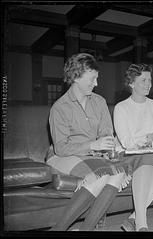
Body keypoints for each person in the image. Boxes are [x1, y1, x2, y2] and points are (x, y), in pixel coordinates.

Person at [46, 53, 130, 231]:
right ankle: (58, 229)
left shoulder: (99, 102)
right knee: (100, 176)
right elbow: (61, 148)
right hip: (63, 155)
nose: (97, 84)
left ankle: (86, 229)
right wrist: (93, 145)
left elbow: (106, 134)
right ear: (75, 77)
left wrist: (111, 145)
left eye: (97, 79)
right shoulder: (59, 108)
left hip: (92, 155)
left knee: (119, 172)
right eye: (92, 79)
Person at [113, 63, 153, 231]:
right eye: (143, 80)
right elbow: (126, 142)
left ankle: (134, 216)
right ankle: (141, 224)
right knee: (146, 163)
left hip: (151, 152)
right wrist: (149, 137)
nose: (148, 84)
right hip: (128, 153)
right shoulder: (121, 108)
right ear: (132, 83)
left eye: (150, 80)